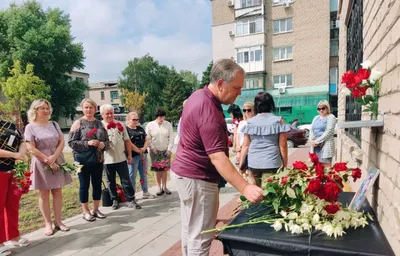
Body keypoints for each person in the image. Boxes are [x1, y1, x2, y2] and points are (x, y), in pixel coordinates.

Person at [171, 58, 264, 256]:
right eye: (236, 87)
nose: (240, 93)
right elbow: (217, 158)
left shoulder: (198, 96)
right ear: (220, 84)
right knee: (201, 237)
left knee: (190, 230)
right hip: (198, 179)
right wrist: (245, 187)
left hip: (186, 174)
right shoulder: (209, 111)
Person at [24, 99, 72, 236]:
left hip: (57, 159)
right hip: (41, 163)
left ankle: (58, 221)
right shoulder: (30, 127)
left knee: (57, 192)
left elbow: (62, 142)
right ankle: (48, 223)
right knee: (44, 194)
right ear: (35, 111)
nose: (46, 111)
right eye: (42, 108)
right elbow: (30, 147)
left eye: (47, 108)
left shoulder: (55, 124)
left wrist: (55, 157)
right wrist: (47, 160)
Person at [68, 98, 109, 222]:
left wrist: (103, 145)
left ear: (95, 109)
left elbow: (107, 141)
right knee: (83, 185)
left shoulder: (99, 124)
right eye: (86, 107)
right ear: (82, 109)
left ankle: (96, 209)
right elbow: (71, 143)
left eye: (91, 107)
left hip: (97, 159)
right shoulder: (78, 123)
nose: (88, 110)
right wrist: (88, 143)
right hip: (81, 160)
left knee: (97, 185)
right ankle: (85, 211)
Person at [239, 92, 290, 188]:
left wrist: (241, 164)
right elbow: (283, 146)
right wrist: (285, 164)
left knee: (256, 195)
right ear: (271, 104)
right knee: (269, 196)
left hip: (253, 163)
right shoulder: (278, 121)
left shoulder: (250, 122)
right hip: (272, 162)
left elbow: (245, 145)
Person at [100, 104, 142, 210]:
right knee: (110, 180)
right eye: (107, 113)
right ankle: (114, 199)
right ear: (102, 115)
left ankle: (130, 199)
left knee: (126, 180)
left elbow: (127, 141)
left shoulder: (120, 124)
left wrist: (129, 155)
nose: (109, 115)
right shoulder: (99, 126)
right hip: (107, 160)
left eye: (111, 113)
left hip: (121, 158)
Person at [0, 120, 29, 256]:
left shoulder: (10, 125)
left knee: (13, 204)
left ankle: (13, 236)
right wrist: (14, 155)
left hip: (13, 170)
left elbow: (22, 140)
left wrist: (21, 155)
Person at [125, 111, 155, 199]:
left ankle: (145, 191)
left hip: (143, 154)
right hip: (133, 155)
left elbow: (147, 139)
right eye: (134, 119)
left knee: (144, 174)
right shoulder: (126, 130)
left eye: (137, 119)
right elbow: (128, 142)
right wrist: (138, 150)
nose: (136, 121)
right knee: (132, 175)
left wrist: (144, 148)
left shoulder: (140, 129)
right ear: (128, 120)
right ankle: (132, 194)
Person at [145, 108, 174, 196]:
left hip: (165, 150)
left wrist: (169, 149)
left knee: (164, 169)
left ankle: (165, 187)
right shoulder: (150, 125)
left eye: (163, 117)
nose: (162, 119)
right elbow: (148, 138)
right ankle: (158, 187)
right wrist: (152, 148)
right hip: (155, 151)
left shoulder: (168, 124)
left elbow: (171, 138)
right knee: (157, 170)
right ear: (156, 117)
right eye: (160, 117)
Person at [309, 100, 337, 167]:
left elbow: (329, 132)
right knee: (317, 167)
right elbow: (311, 129)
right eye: (319, 108)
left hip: (325, 146)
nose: (321, 110)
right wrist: (311, 140)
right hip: (315, 146)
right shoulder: (316, 117)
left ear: (327, 108)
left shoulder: (331, 117)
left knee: (326, 167)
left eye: (323, 108)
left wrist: (317, 141)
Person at [236, 102, 256, 184]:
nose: (246, 112)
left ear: (253, 110)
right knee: (242, 173)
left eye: (249, 110)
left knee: (250, 173)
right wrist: (238, 149)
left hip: (250, 150)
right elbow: (237, 135)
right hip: (242, 149)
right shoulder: (242, 123)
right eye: (244, 110)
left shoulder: (255, 122)